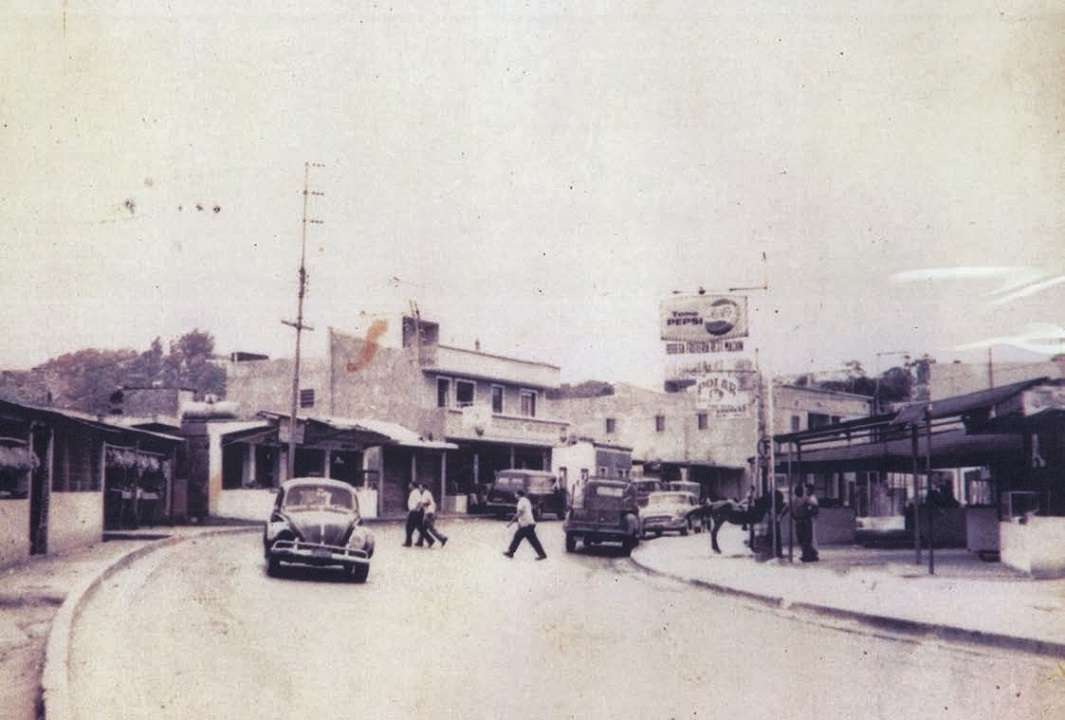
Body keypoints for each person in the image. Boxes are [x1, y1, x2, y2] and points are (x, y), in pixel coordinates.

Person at [503, 488, 547, 560]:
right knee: (532, 540)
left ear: (518, 495)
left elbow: (520, 513)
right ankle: (542, 554)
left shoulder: (521, 502)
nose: (515, 495)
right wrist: (519, 523)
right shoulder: (527, 500)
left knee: (518, 537)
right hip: (529, 523)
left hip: (526, 525)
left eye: (515, 494)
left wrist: (511, 522)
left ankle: (510, 552)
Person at [792, 482, 820, 562]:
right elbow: (787, 509)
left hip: (805, 520)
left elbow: (815, 506)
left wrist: (810, 512)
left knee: (807, 539)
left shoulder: (806, 499)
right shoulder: (794, 500)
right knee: (802, 539)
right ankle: (808, 554)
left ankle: (809, 555)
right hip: (800, 521)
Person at [403, 482, 427, 547]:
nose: (408, 486)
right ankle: (430, 540)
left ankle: (408, 542)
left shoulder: (415, 492)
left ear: (413, 486)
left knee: (408, 526)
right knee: (419, 527)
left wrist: (416, 510)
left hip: (415, 512)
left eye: (410, 485)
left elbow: (419, 502)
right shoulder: (414, 492)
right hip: (414, 511)